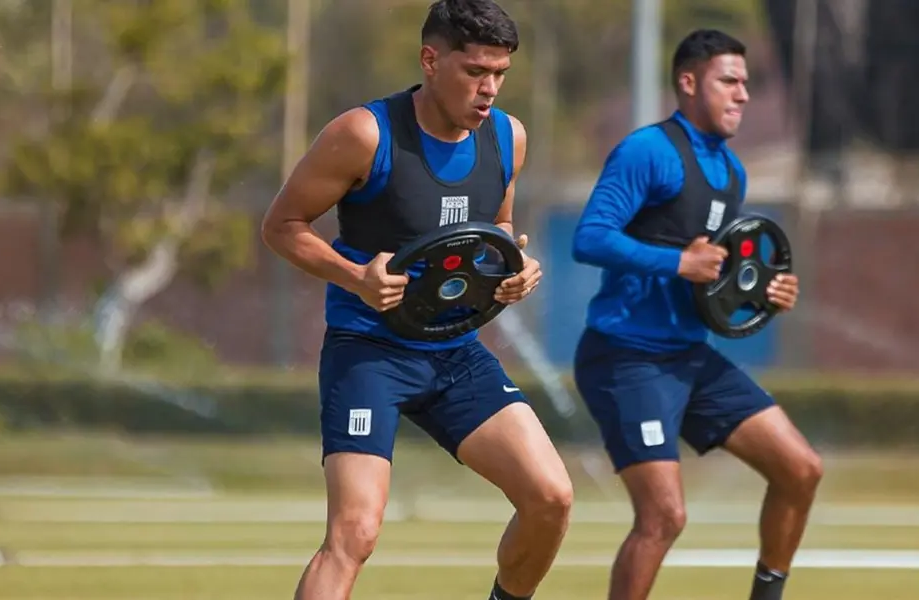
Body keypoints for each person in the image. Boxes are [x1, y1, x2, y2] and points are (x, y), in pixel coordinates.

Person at [260, 1, 572, 598]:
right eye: (476, 71)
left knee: (551, 498)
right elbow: (281, 226)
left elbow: (498, 227)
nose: (490, 89)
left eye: (501, 74)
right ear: (431, 60)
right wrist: (355, 278)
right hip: (369, 351)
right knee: (355, 531)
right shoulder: (364, 133)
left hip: (455, 352)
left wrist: (513, 270)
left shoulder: (509, 137)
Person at [570, 29, 822, 600]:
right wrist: (678, 262)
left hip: (689, 356)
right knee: (663, 516)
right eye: (728, 81)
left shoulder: (732, 172)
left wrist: (763, 294)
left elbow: (715, 283)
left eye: (746, 84)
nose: (743, 95)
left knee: (800, 469)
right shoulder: (648, 151)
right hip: (625, 358)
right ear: (688, 83)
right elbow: (589, 239)